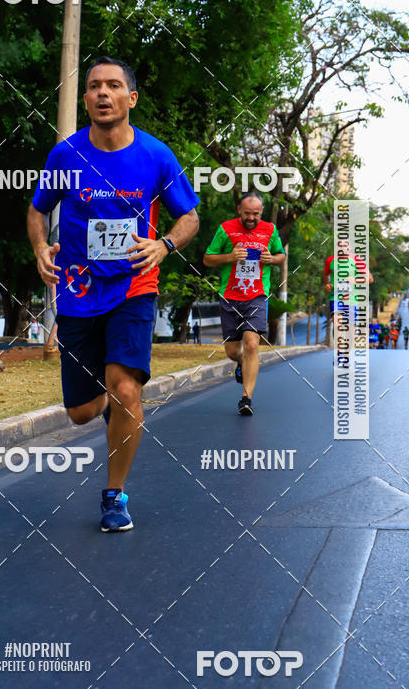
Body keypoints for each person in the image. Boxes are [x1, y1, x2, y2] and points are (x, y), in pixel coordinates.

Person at [27, 56, 199, 532]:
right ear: (85, 99)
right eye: (94, 87)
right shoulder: (65, 155)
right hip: (79, 291)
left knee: (127, 389)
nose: (103, 93)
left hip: (134, 286)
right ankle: (101, 398)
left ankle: (114, 494)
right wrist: (41, 247)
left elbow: (189, 217)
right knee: (82, 413)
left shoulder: (156, 156)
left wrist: (164, 245)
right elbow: (38, 209)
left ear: (131, 98)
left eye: (113, 86)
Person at [203, 192, 286, 416]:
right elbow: (207, 258)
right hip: (230, 296)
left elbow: (281, 255)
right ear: (239, 210)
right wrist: (229, 257)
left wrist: (273, 259)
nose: (251, 218)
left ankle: (246, 398)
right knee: (232, 351)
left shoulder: (270, 230)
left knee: (251, 343)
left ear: (262, 212)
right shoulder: (226, 229)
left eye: (256, 214)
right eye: (247, 213)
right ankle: (240, 362)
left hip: (257, 295)